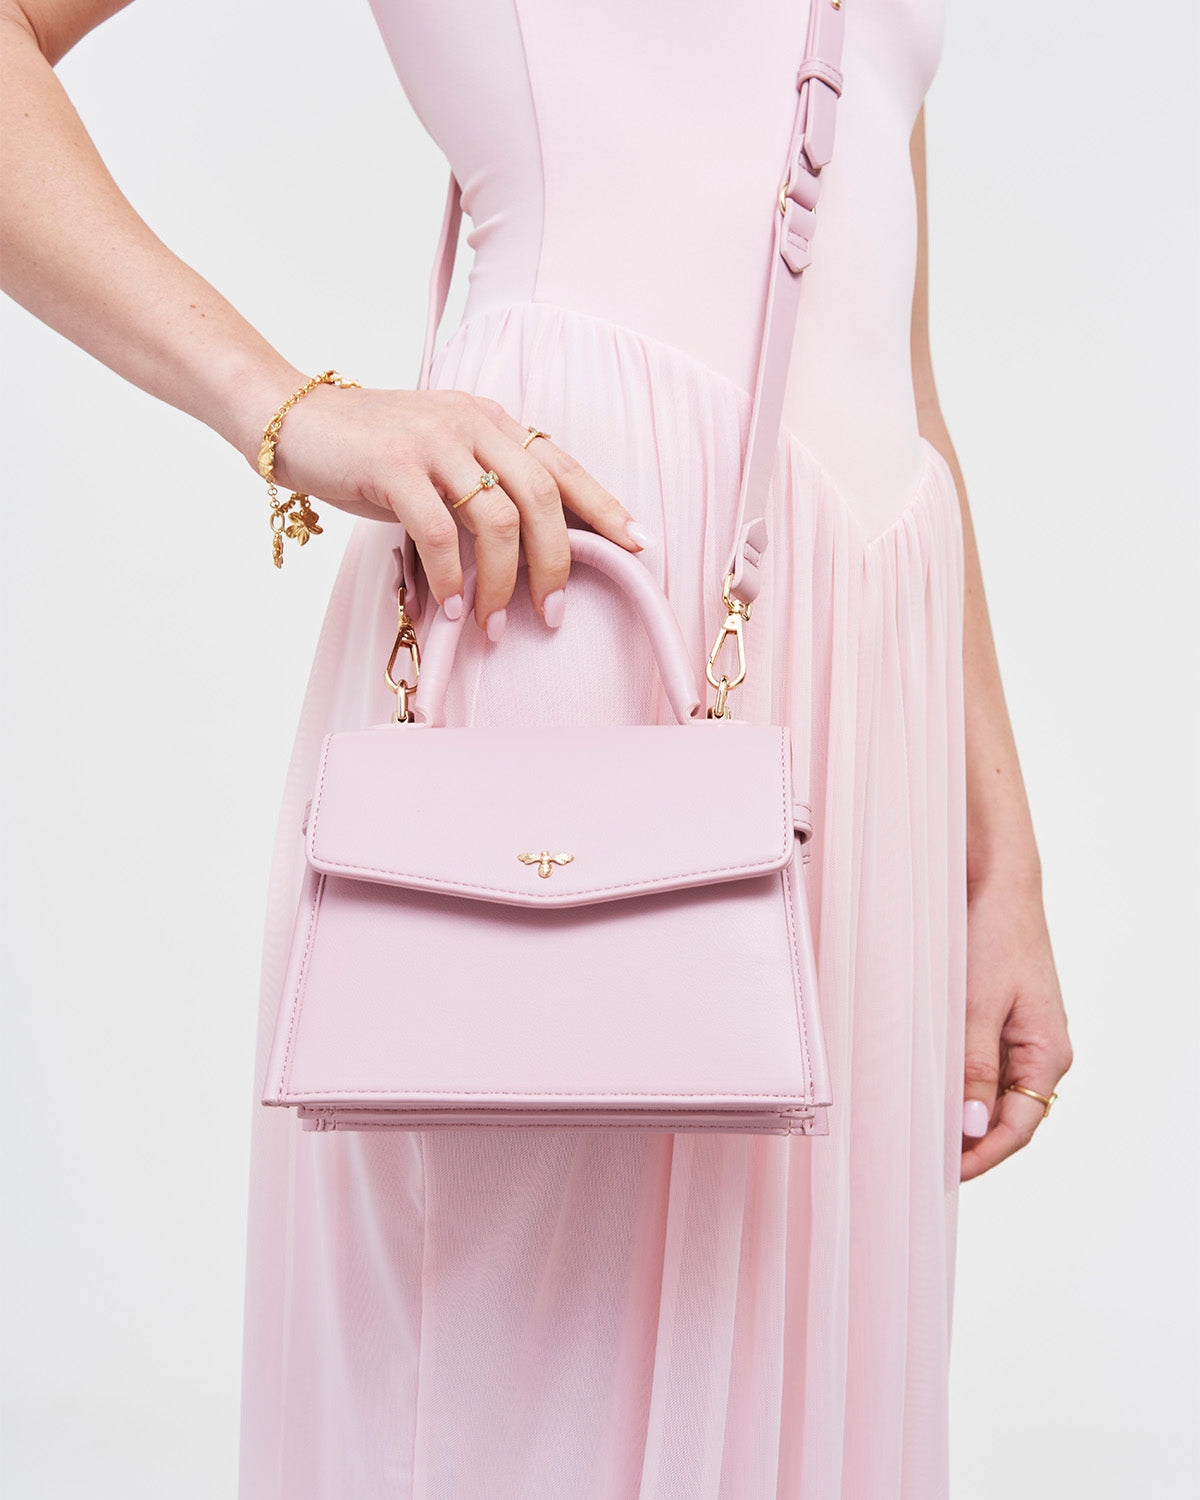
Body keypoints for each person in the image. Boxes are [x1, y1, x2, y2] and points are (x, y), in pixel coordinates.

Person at [1, 0, 1074, 1495]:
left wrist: (997, 854)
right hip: (575, 590)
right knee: (516, 1407)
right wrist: (285, 409)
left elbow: (889, 350)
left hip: (865, 656)